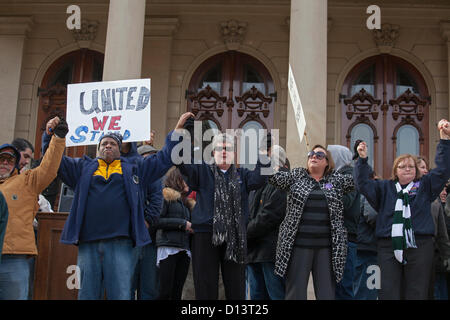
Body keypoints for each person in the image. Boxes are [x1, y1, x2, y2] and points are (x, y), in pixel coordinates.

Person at [41, 112, 194, 300]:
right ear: (98, 149)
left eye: (113, 144)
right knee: (87, 294)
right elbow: (53, 162)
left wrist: (177, 131)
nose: (108, 146)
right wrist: (51, 136)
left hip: (121, 244)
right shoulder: (81, 169)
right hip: (88, 243)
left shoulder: (134, 169)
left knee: (120, 294)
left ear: (120, 150)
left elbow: (162, 159)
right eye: (104, 143)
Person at [354, 119, 450, 300]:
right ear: (395, 171)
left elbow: (443, 170)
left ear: (417, 171)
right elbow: (363, 184)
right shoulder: (384, 188)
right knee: (389, 292)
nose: (407, 169)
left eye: (411, 166)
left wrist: (444, 140)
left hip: (419, 245)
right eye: (402, 166)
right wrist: (362, 160)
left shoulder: (425, 186)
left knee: (417, 293)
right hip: (388, 247)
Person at [177, 131, 269, 300]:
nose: (224, 151)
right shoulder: (203, 172)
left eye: (228, 148)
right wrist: (184, 139)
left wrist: (263, 153)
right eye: (220, 148)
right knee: (205, 284)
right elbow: (184, 165)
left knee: (236, 286)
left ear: (234, 154)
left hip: (235, 236)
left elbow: (260, 178)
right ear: (213, 153)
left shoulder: (243, 175)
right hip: (206, 234)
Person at [269, 144, 355, 300]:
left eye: (320, 155)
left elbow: (355, 182)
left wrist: (360, 159)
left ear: (328, 162)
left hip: (326, 249)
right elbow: (273, 179)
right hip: (298, 246)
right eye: (311, 154)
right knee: (295, 294)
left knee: (326, 295)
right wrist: (265, 157)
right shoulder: (297, 176)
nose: (314, 156)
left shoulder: (335, 180)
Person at [0, 117, 66, 300]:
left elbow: (49, 168)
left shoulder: (27, 181)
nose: (5, 163)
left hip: (13, 258)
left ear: (15, 163)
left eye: (9, 159)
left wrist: (58, 138)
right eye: (1, 158)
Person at [246, 145, 288, 300]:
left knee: (275, 294)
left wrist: (245, 232)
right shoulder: (261, 180)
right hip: (254, 250)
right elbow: (250, 210)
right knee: (257, 297)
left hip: (271, 252)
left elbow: (269, 215)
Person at [154, 168, 194, 300]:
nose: (189, 182)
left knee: (177, 291)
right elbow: (156, 221)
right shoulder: (165, 195)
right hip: (168, 247)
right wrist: (183, 224)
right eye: (185, 179)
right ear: (178, 179)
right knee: (165, 291)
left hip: (183, 248)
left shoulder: (185, 202)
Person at [131, 144, 163, 300]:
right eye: (148, 157)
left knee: (148, 288)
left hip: (148, 239)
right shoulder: (130, 173)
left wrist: (146, 222)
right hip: (129, 240)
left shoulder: (155, 177)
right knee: (126, 286)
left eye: (153, 157)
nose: (151, 160)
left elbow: (157, 203)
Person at [328, 145, 360, 300]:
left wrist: (328, 186)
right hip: (336, 238)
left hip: (346, 239)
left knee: (344, 288)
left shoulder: (349, 176)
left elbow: (345, 203)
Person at [417, 156, 450, 299]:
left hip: (433, 254)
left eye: (426, 168)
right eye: (422, 167)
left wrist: (446, 254)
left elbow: (442, 231)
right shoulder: (403, 194)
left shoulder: (434, 199)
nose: (425, 171)